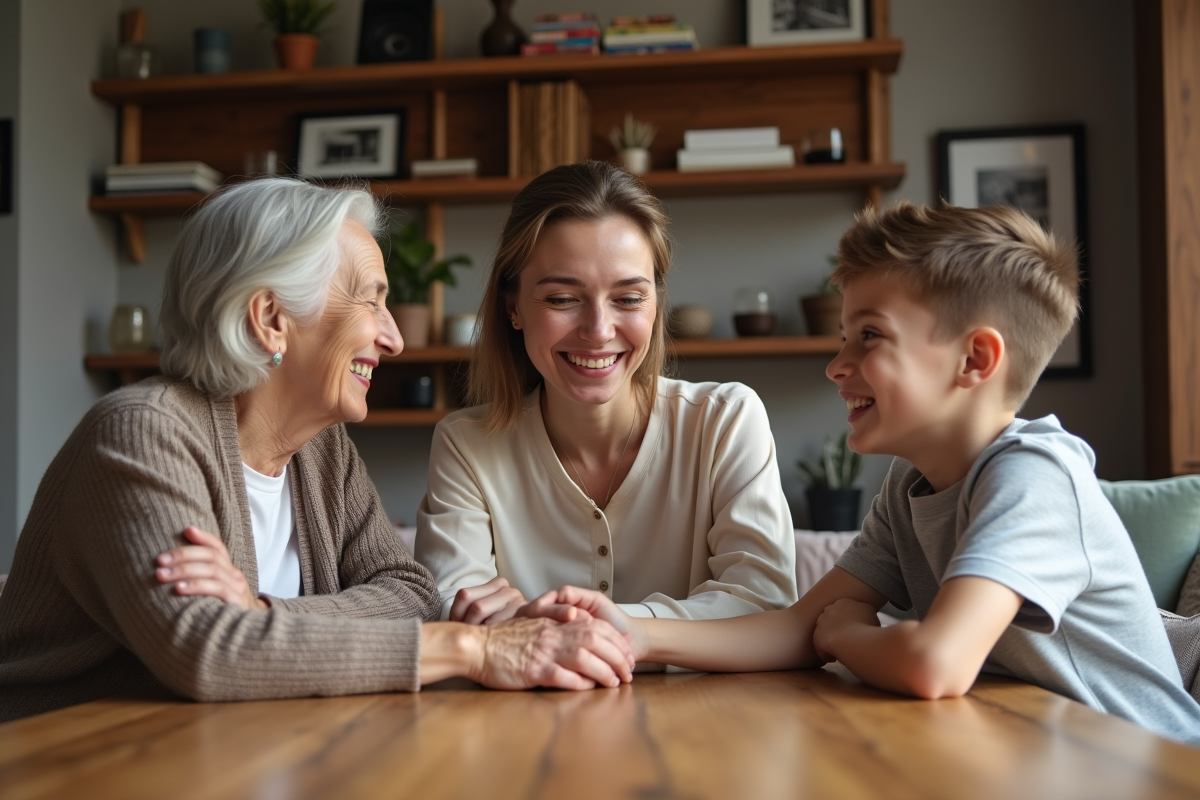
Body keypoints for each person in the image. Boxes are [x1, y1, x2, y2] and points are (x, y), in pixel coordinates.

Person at [521, 202, 1200, 744]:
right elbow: (796, 628)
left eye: (868, 335)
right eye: (844, 334)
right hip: (1036, 750)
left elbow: (934, 664)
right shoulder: (911, 486)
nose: (836, 364)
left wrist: (848, 636)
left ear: (974, 360)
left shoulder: (1034, 479)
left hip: (1145, 767)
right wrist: (634, 634)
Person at [0, 178, 632, 722]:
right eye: (371, 299)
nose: (393, 339)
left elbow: (409, 591)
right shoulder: (143, 434)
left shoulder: (320, 450)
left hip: (231, 753)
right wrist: (476, 650)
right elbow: (207, 653)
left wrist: (262, 611)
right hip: (65, 760)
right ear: (271, 317)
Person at [415, 161, 797, 629]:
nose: (598, 331)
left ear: (656, 304)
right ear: (513, 307)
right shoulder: (464, 444)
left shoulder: (727, 421)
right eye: (561, 298)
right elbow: (453, 612)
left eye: (629, 298)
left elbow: (763, 604)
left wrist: (562, 624)